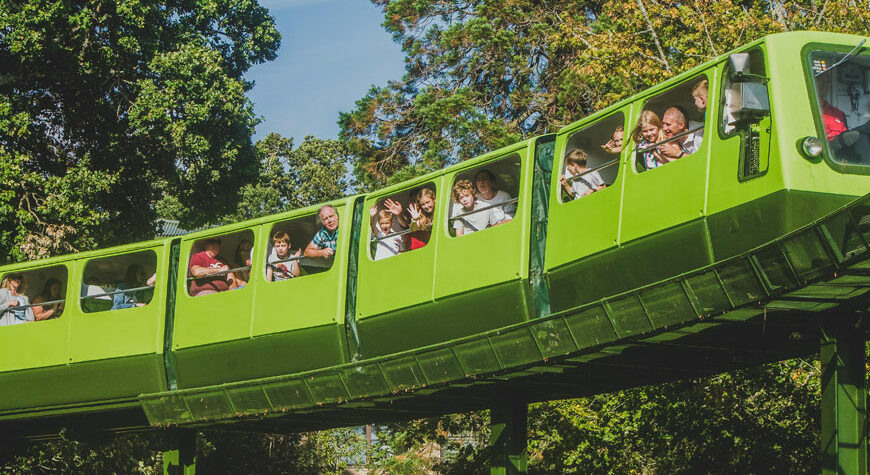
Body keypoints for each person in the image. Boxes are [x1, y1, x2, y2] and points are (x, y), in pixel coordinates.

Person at [816, 72, 870, 164]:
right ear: (814, 82)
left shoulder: (838, 113)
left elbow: (847, 135)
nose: (826, 84)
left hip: (843, 146)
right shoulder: (810, 109)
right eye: (822, 81)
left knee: (862, 134)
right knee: (861, 138)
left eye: (828, 82)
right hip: (826, 148)